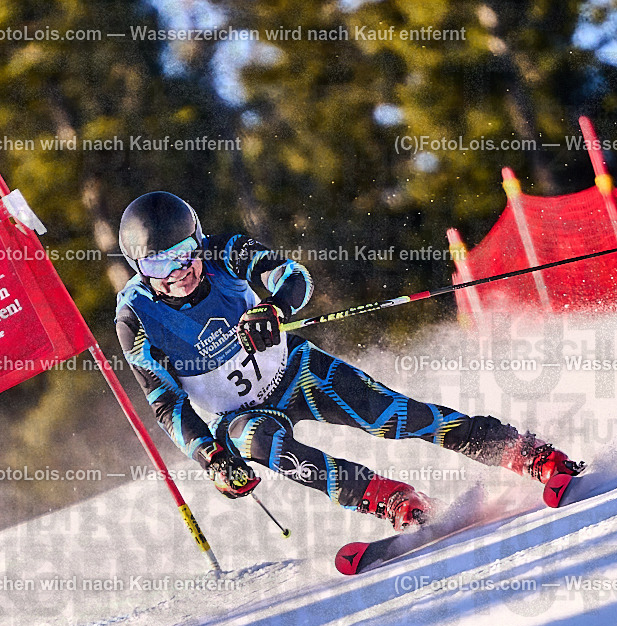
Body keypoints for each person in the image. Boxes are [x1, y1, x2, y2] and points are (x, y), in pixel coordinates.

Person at [114, 191, 583, 532]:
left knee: (395, 417)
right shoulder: (135, 318)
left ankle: (521, 452)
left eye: (184, 253)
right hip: (241, 414)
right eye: (159, 265)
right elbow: (167, 406)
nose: (179, 272)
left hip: (294, 371)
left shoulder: (224, 252)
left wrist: (274, 307)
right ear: (140, 269)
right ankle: (387, 498)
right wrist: (210, 458)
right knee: (259, 442)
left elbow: (294, 277)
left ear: (198, 240)